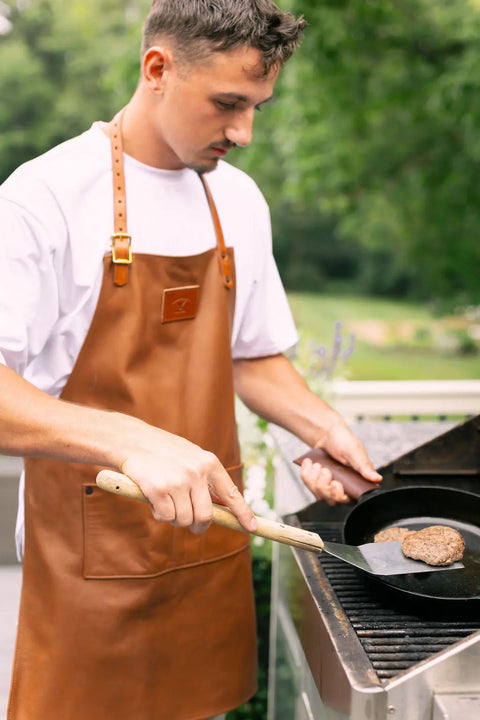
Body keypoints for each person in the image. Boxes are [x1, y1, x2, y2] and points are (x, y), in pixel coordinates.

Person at [0, 1, 381, 719]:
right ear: (156, 69)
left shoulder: (237, 200)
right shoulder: (43, 199)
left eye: (258, 107)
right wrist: (132, 440)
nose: (244, 132)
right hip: (89, 563)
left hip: (212, 546)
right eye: (227, 104)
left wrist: (321, 426)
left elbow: (254, 356)